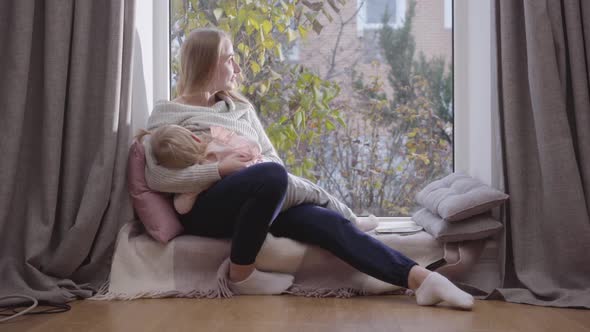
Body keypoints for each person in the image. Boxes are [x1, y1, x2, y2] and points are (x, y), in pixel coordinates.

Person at [142, 27, 474, 309]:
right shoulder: (168, 114)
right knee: (271, 177)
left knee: (324, 221)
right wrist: (221, 171)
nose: (237, 67)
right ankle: (241, 274)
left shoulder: (239, 109)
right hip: (206, 208)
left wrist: (253, 172)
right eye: (229, 58)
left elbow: (272, 160)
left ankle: (422, 280)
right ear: (206, 63)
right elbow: (157, 176)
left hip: (256, 203)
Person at [138, 124, 363, 221]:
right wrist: (247, 154)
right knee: (314, 193)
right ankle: (351, 218)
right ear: (195, 136)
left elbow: (181, 207)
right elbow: (252, 143)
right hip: (269, 184)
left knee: (310, 200)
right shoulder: (217, 139)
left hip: (260, 191)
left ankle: (348, 220)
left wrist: (191, 188)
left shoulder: (196, 176)